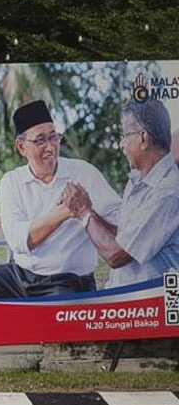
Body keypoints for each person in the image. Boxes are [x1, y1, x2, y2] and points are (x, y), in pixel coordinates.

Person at [0, 100, 122, 299]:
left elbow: (120, 222)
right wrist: (66, 210)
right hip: (20, 275)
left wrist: (88, 213)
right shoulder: (12, 181)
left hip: (68, 280)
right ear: (22, 147)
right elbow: (19, 241)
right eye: (40, 140)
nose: (50, 147)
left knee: (49, 319)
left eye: (53, 137)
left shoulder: (84, 173)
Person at [61, 98, 179, 288]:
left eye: (125, 135)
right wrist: (89, 210)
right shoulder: (138, 181)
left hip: (148, 307)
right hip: (124, 301)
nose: (121, 144)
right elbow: (126, 237)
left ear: (143, 138)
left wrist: (84, 213)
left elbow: (117, 255)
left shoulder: (168, 192)